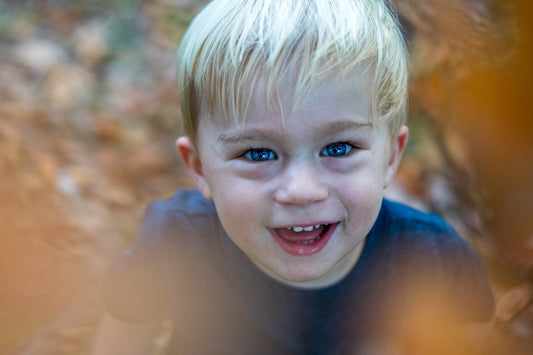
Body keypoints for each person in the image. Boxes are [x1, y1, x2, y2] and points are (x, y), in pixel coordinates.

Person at [92, 0, 494, 354]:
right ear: (199, 168)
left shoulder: (432, 262)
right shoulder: (173, 246)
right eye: (258, 153)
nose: (301, 191)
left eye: (338, 148)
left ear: (391, 156)